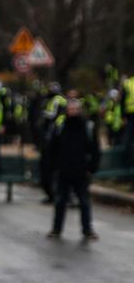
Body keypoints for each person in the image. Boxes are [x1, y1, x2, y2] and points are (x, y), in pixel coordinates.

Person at [47, 98, 99, 241]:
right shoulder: (61, 126)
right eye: (70, 110)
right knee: (60, 202)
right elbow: (53, 148)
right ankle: (57, 229)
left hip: (81, 170)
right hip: (64, 170)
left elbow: (95, 149)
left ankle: (87, 230)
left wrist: (92, 168)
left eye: (75, 109)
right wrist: (54, 167)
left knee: (84, 202)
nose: (73, 112)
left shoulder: (87, 127)